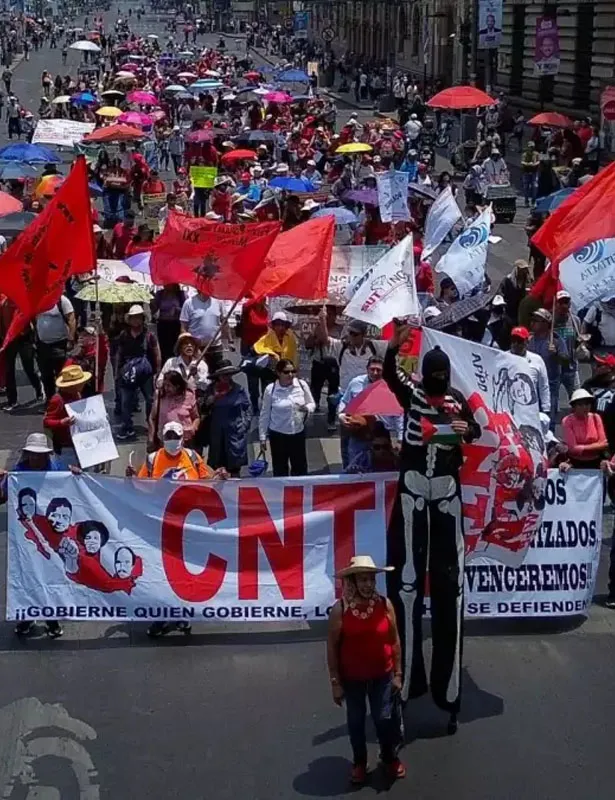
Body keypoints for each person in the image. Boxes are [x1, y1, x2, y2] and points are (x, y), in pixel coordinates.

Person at [383, 327, 480, 730]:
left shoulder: (457, 402)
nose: (439, 382)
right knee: (405, 587)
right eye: (434, 375)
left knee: (449, 590)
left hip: (445, 496)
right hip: (412, 494)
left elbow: (474, 430)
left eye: (442, 376)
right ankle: (405, 688)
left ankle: (450, 691)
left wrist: (465, 432)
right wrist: (394, 344)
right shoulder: (413, 394)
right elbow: (391, 374)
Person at [126, 420, 226, 637]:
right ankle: (161, 617)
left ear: (183, 438)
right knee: (161, 572)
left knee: (183, 572)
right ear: (163, 438)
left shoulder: (192, 457)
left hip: (189, 526)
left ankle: (182, 614)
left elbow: (208, 481)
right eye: (169, 437)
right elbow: (140, 486)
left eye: (176, 437)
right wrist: (131, 478)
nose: (173, 441)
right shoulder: (153, 460)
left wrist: (220, 476)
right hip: (161, 525)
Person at [326, 555, 405, 785]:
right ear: (352, 581)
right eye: (362, 580)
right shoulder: (340, 611)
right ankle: (360, 763)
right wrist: (335, 682)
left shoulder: (384, 605)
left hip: (383, 676)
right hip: (352, 680)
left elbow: (395, 641)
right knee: (356, 722)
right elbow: (332, 647)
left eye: (370, 579)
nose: (368, 584)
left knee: (385, 719)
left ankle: (389, 758)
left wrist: (398, 674)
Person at [0, 432, 76, 637]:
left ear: (46, 455)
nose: (35, 458)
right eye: (32, 454)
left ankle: (51, 620)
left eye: (39, 454)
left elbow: (76, 491)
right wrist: (3, 480)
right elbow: (2, 496)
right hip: (26, 538)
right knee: (29, 576)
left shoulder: (58, 470)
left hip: (51, 535)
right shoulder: (19, 473)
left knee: (49, 573)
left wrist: (76, 475)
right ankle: (27, 617)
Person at [338, 357, 402, 469]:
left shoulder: (392, 386)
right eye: (372, 369)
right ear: (367, 369)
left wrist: (400, 439)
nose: (375, 373)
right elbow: (345, 401)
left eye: (379, 370)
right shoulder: (356, 383)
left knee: (382, 469)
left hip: (382, 435)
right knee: (355, 468)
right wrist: (341, 415)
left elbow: (399, 414)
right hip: (360, 433)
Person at [259, 358, 315, 477]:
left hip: (297, 433)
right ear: (278, 373)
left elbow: (312, 403)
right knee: (280, 470)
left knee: (300, 468)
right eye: (286, 372)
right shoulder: (271, 389)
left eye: (293, 371)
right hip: (278, 435)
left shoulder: (301, 385)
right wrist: (262, 437)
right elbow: (265, 414)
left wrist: (307, 408)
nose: (290, 375)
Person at [115, 305, 161, 441]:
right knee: (125, 401)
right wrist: (118, 371)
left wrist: (158, 372)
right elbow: (119, 353)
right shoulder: (124, 335)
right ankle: (127, 427)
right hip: (128, 372)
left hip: (145, 373)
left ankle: (151, 424)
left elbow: (157, 353)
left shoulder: (149, 335)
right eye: (133, 318)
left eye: (138, 317)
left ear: (142, 319)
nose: (136, 320)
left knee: (150, 399)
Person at [202, 360, 252, 477]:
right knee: (217, 467)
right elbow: (203, 408)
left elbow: (248, 408)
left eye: (229, 374)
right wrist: (213, 398)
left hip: (235, 432)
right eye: (224, 374)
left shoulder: (239, 389)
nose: (226, 377)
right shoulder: (211, 389)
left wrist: (244, 426)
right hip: (217, 433)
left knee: (235, 467)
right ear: (218, 376)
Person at [0, 296, 43, 411]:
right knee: (9, 371)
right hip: (9, 340)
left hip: (24, 338)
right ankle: (12, 401)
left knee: (28, 367)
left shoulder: (23, 302)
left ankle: (38, 390)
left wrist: (35, 339)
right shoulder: (3, 304)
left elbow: (33, 319)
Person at [43, 364, 90, 470]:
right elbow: (47, 421)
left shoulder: (77, 395)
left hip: (80, 443)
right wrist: (61, 422)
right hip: (66, 446)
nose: (83, 384)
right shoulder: (57, 400)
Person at [528, 308, 567, 425]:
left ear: (546, 324)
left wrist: (556, 354)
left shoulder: (555, 340)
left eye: (536, 320)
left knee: (548, 416)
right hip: (532, 382)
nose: (532, 323)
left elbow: (566, 361)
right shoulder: (529, 339)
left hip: (550, 383)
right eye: (532, 320)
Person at [35, 295, 76, 403]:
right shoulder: (38, 300)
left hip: (59, 344)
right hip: (43, 345)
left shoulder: (62, 300)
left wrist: (71, 338)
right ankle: (51, 403)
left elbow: (71, 318)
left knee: (62, 375)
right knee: (46, 376)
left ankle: (65, 402)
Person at [179, 290, 228, 372]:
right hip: (196, 347)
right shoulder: (189, 303)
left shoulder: (218, 302)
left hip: (215, 347)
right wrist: (188, 345)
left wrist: (229, 340)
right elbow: (183, 327)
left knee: (217, 374)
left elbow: (224, 322)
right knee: (199, 373)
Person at [150, 370, 198, 450]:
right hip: (164, 442)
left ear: (177, 386)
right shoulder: (160, 396)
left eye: (169, 386)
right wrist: (151, 438)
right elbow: (152, 418)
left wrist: (193, 427)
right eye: (165, 385)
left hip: (185, 442)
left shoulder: (189, 396)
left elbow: (196, 417)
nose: (166, 388)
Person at [509, 326, 551, 416]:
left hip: (531, 408)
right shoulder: (502, 358)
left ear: (527, 342)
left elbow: (543, 385)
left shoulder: (537, 360)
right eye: (513, 341)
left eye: (519, 341)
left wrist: (546, 407)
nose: (516, 344)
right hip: (509, 408)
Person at [561, 389, 608, 469]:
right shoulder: (567, 420)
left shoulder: (596, 418)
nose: (585, 407)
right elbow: (572, 448)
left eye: (587, 404)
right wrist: (596, 446)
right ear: (574, 407)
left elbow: (604, 443)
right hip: (575, 463)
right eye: (580, 405)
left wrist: (581, 447)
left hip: (596, 462)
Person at [253, 311, 300, 384]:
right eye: (277, 324)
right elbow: (257, 348)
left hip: (285, 372)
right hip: (269, 372)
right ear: (273, 326)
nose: (280, 327)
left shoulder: (291, 337)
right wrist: (271, 354)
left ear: (285, 325)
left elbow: (293, 354)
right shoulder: (267, 337)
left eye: (282, 324)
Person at [553, 289, 581, 400]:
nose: (564, 305)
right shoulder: (550, 322)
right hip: (555, 368)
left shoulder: (575, 320)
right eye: (561, 302)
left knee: (577, 398)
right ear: (556, 304)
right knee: (553, 400)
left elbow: (577, 341)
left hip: (571, 367)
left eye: (566, 302)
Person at [151, 284, 186, 364]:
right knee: (164, 349)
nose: (165, 285)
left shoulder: (180, 294)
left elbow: (185, 310)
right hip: (163, 324)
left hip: (176, 324)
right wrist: (152, 302)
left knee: (176, 348)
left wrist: (177, 310)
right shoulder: (160, 294)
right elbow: (154, 310)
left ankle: (177, 367)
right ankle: (165, 368)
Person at [498, 259, 531, 324]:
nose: (524, 271)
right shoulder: (508, 280)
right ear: (517, 269)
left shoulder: (526, 279)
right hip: (509, 308)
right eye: (523, 269)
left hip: (519, 308)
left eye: (525, 269)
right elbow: (501, 292)